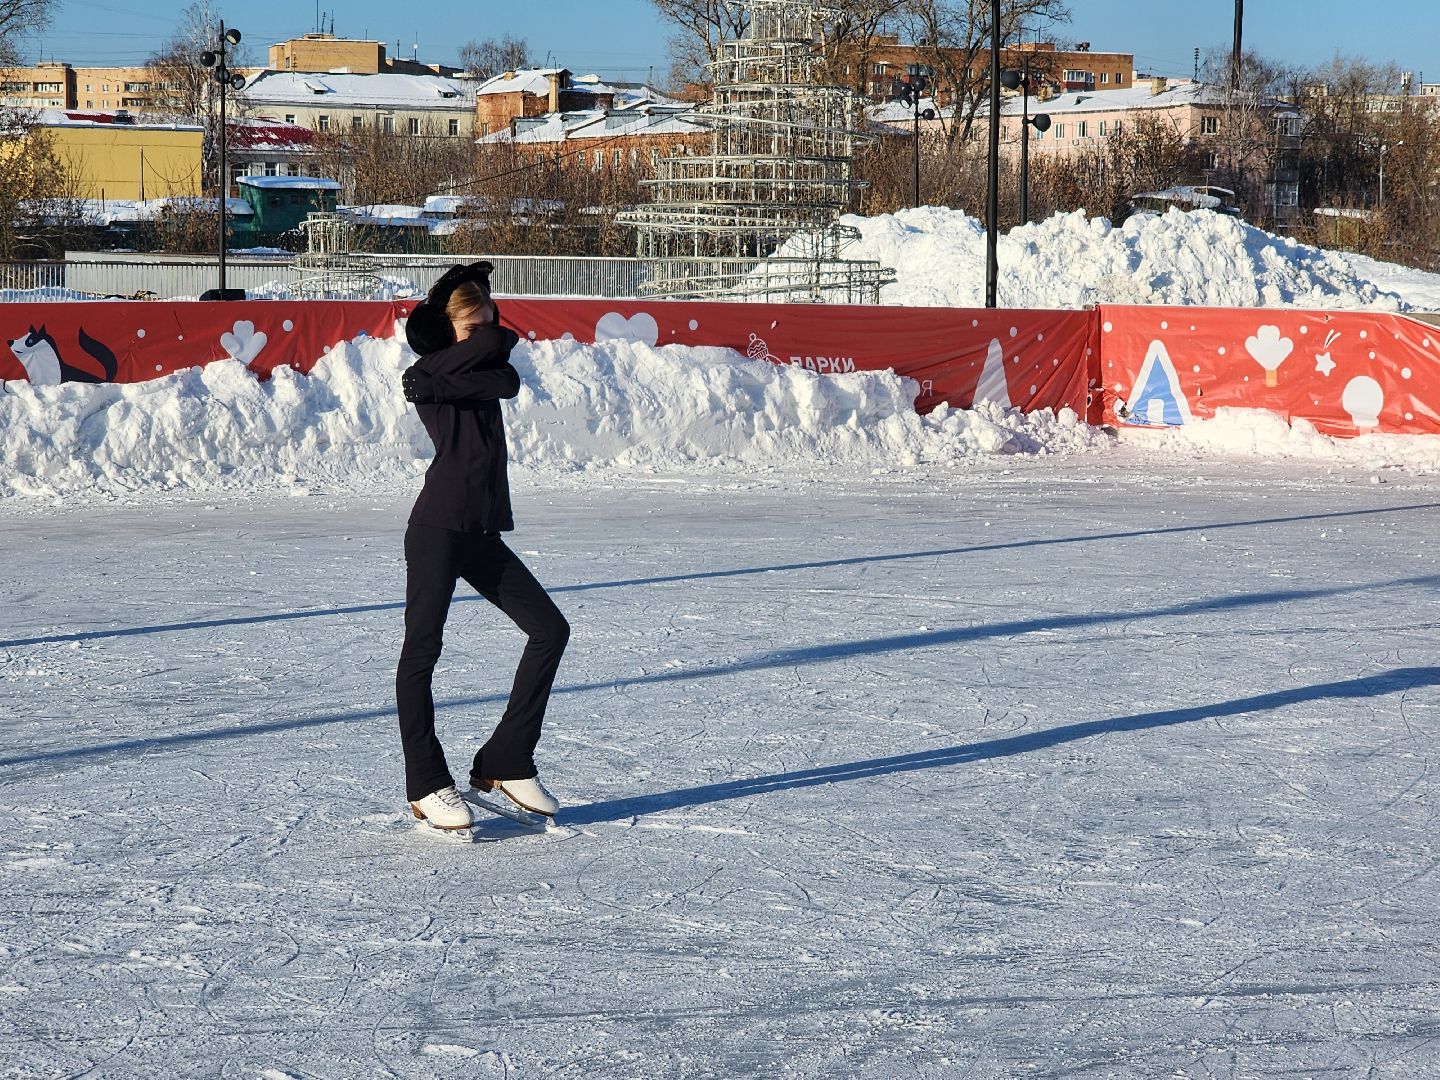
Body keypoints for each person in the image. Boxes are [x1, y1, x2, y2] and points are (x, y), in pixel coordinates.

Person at [396, 263, 570, 832]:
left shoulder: (476, 374)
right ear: (446, 332)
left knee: (550, 629)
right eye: (473, 328)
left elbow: (506, 377)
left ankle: (507, 758)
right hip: (437, 531)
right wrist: (477, 342)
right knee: (422, 651)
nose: (489, 336)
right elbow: (478, 362)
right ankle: (426, 782)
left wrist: (484, 341)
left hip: (479, 535)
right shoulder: (431, 369)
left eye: (490, 323)